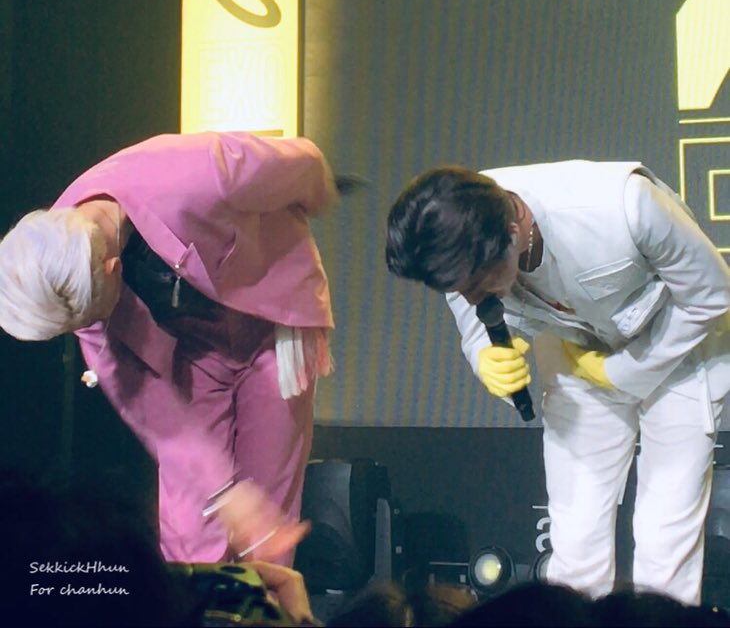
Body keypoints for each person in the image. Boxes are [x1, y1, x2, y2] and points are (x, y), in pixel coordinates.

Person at [385, 160, 730, 605]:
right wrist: (485, 358)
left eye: (476, 284)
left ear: (513, 232)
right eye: (456, 288)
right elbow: (476, 326)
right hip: (571, 351)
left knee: (665, 537)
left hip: (680, 345)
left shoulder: (626, 205)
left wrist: (622, 372)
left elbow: (710, 295)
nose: (469, 297)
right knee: (575, 538)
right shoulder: (459, 240)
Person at [0, 131, 337, 564]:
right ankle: (190, 597)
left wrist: (308, 204)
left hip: (273, 324)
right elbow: (154, 410)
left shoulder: (197, 173)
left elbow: (304, 165)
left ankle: (267, 597)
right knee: (194, 517)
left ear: (113, 269)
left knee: (265, 513)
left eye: (91, 320)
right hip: (189, 354)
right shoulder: (59, 272)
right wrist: (221, 490)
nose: (89, 332)